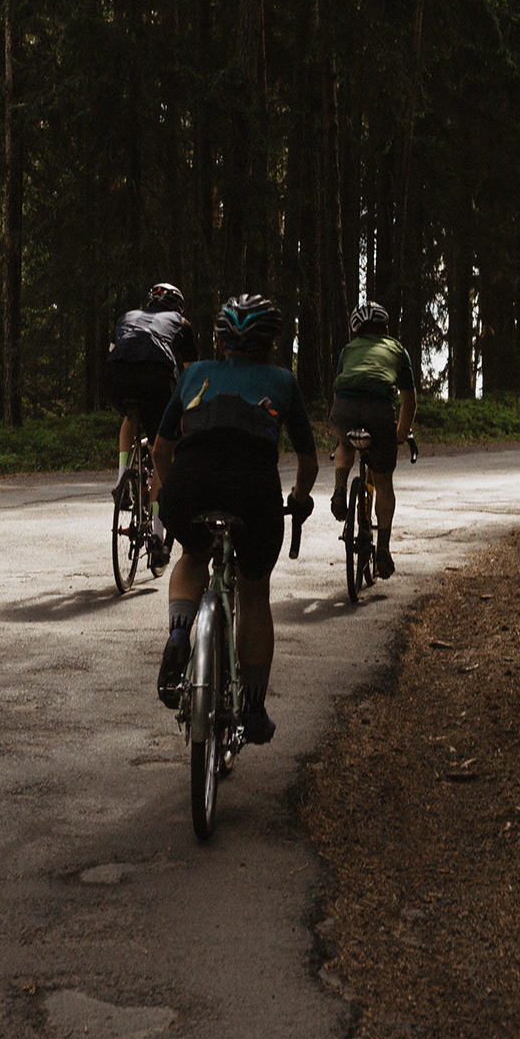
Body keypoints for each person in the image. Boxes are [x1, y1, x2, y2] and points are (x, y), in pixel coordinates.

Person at [150, 294, 317, 745]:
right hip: (253, 492)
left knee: (193, 555)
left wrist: (169, 490)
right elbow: (307, 460)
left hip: (190, 483)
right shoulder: (283, 380)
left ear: (220, 342)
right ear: (270, 346)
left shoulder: (194, 374)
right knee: (254, 590)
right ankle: (254, 709)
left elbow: (161, 449)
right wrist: (299, 498)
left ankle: (179, 634)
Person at [106, 282, 198, 569]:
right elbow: (190, 372)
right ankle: (157, 535)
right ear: (177, 306)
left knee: (130, 414)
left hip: (116, 373)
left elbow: (115, 348)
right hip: (157, 375)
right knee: (162, 447)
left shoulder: (127, 316)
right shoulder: (181, 322)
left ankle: (122, 477)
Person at [327, 301, 417, 578]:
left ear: (356, 331)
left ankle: (340, 490)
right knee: (383, 482)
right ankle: (384, 552)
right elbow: (409, 401)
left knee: (344, 445)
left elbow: (339, 390)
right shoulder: (398, 350)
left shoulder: (348, 350)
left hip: (344, 408)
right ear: (386, 329)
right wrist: (400, 434)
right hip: (379, 411)